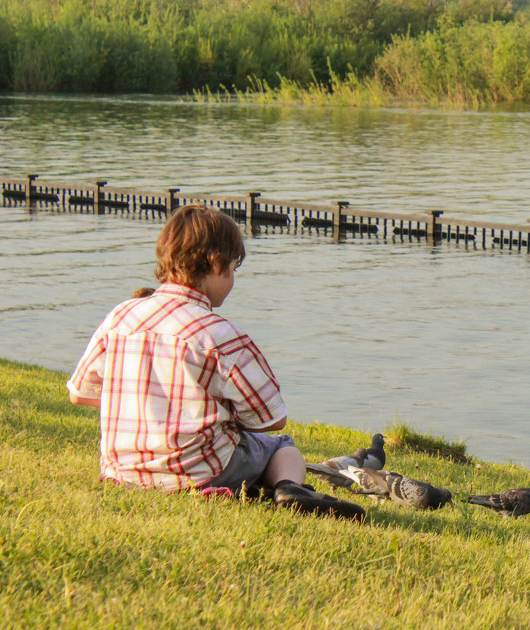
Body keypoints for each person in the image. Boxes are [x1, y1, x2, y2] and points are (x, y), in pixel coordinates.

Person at [67, 203, 361, 519]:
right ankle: (289, 487)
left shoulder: (120, 316)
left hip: (123, 472)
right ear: (216, 264)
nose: (233, 279)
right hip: (195, 472)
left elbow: (80, 393)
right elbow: (272, 419)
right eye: (234, 269)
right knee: (279, 445)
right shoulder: (220, 335)